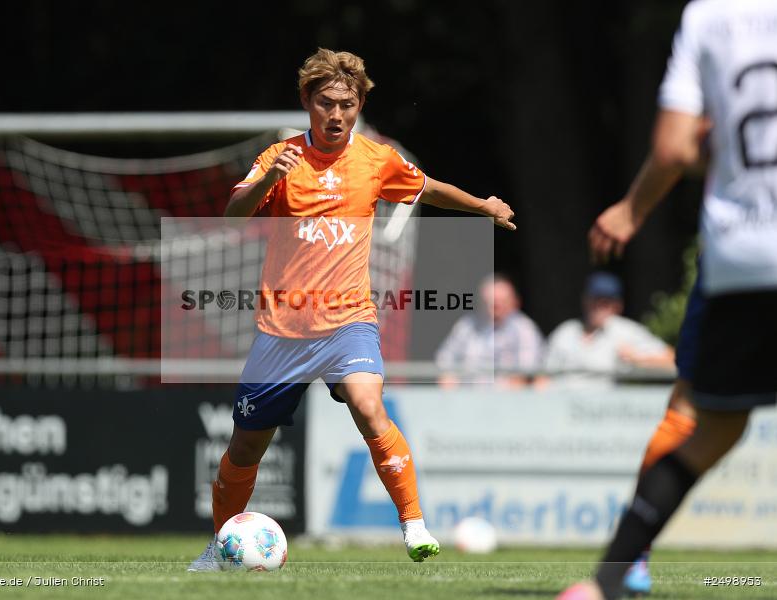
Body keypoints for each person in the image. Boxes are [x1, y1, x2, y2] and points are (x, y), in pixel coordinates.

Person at [188, 48, 516, 571]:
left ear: (359, 104)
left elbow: (427, 188)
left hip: (349, 321)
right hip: (283, 331)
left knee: (368, 406)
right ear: (307, 102)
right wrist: (271, 180)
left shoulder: (375, 159)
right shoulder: (279, 157)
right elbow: (231, 216)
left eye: (347, 104)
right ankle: (216, 546)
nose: (336, 115)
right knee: (246, 449)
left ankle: (414, 524)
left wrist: (482, 206)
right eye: (326, 103)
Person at [560, 1, 777, 598]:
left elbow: (677, 147)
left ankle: (613, 575)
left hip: (742, 257)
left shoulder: (710, 17)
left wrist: (631, 211)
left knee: (703, 424)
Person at [544, 272, 674, 388]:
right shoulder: (565, 332)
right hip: (559, 406)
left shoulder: (624, 331)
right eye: (595, 300)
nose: (598, 307)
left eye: (606, 302)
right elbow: (542, 377)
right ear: (585, 300)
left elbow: (672, 361)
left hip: (604, 410)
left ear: (618, 306)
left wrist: (636, 358)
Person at [435, 273, 544, 388]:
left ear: (514, 302)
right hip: (465, 398)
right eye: (490, 302)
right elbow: (444, 361)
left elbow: (524, 374)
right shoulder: (467, 325)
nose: (495, 306)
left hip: (506, 400)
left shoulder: (524, 329)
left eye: (501, 301)